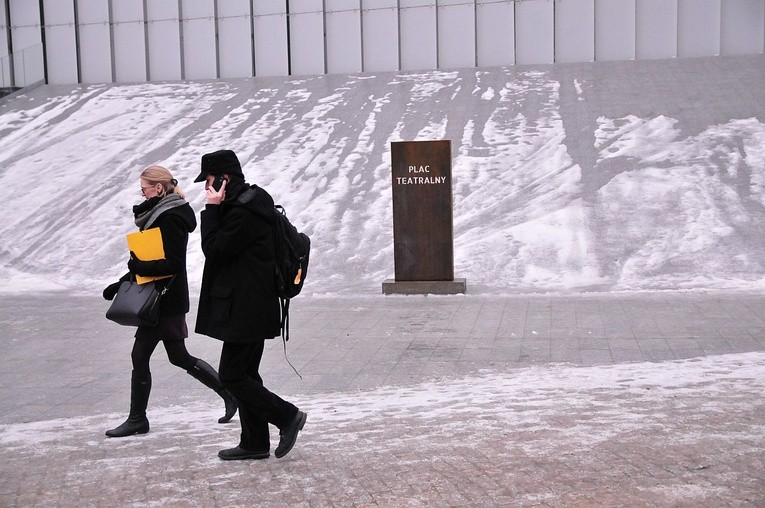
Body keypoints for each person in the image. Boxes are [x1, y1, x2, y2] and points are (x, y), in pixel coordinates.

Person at [102, 165, 237, 438]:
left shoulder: (171, 217)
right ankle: (230, 394)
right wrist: (124, 281)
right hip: (159, 297)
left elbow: (172, 264)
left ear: (159, 188)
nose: (142, 194)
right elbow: (150, 257)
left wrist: (138, 267)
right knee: (178, 356)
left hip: (166, 299)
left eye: (145, 189)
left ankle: (137, 419)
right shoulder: (159, 215)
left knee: (141, 355)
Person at [194, 149, 306, 460]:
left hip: (248, 308)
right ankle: (255, 442)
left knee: (232, 376)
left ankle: (287, 417)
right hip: (249, 305)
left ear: (224, 179)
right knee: (246, 375)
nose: (206, 187)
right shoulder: (247, 204)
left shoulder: (244, 211)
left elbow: (214, 250)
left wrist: (211, 210)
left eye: (209, 181)